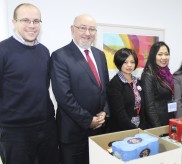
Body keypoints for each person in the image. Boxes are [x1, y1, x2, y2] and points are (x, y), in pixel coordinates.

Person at [0, 3, 59, 164]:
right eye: (25, 20)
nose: (31, 26)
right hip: (15, 131)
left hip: (46, 126)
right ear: (14, 22)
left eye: (36, 21)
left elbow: (43, 86)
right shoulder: (2, 50)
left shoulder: (44, 51)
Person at [50, 14, 109, 164]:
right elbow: (63, 96)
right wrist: (88, 120)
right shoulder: (60, 56)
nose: (87, 33)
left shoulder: (100, 55)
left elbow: (105, 88)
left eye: (92, 29)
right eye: (83, 28)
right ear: (72, 29)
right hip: (73, 132)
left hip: (98, 130)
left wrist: (105, 111)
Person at [107, 48, 147, 132]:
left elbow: (142, 107)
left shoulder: (137, 81)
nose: (129, 65)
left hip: (140, 127)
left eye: (132, 62)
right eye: (125, 62)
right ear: (119, 63)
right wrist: (134, 130)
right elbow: (119, 114)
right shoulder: (114, 84)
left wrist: (142, 127)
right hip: (121, 130)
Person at [141, 41, 175, 128]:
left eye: (166, 54)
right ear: (153, 56)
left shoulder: (166, 72)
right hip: (157, 123)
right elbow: (150, 106)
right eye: (160, 54)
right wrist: (158, 127)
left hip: (168, 118)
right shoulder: (148, 75)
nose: (164, 57)